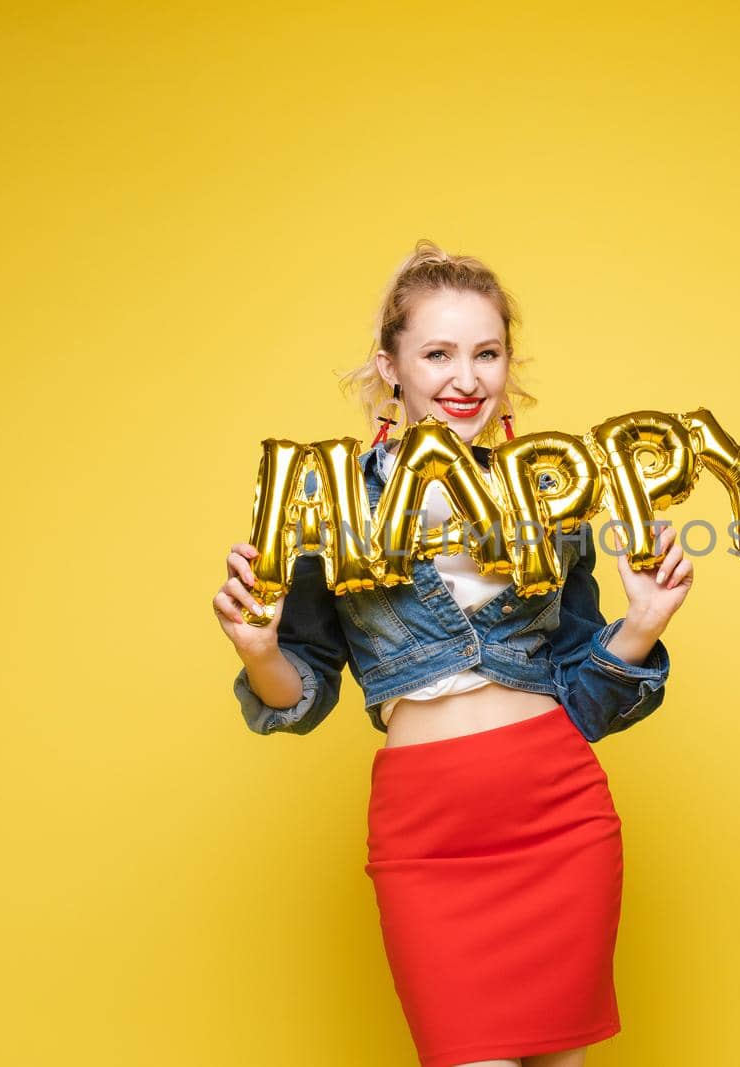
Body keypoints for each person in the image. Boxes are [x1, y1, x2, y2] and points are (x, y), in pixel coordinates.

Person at [211, 239, 694, 1067]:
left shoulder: (556, 493)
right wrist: (259, 651)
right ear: (391, 367)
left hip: (558, 818)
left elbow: (583, 700)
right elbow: (304, 689)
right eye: (437, 352)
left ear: (509, 364)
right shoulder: (328, 501)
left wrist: (642, 624)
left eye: (486, 352)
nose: (465, 377)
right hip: (428, 836)